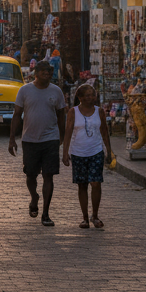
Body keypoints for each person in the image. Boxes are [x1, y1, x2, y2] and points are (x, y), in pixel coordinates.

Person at [8, 59, 66, 227]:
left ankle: (46, 213)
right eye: (43, 72)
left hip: (51, 139)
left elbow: (61, 114)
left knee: (49, 175)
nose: (46, 75)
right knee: (31, 175)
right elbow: (17, 115)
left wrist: (62, 136)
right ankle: (34, 197)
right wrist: (12, 138)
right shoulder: (25, 91)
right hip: (30, 139)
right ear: (35, 74)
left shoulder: (56, 91)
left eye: (49, 73)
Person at [61, 82, 112, 229]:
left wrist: (109, 150)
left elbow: (104, 131)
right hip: (78, 153)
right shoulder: (73, 112)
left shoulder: (99, 111)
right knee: (82, 185)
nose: (91, 98)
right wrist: (65, 153)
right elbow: (68, 132)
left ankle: (95, 216)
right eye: (87, 95)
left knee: (96, 183)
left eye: (93, 95)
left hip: (96, 151)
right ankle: (84, 218)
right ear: (80, 97)